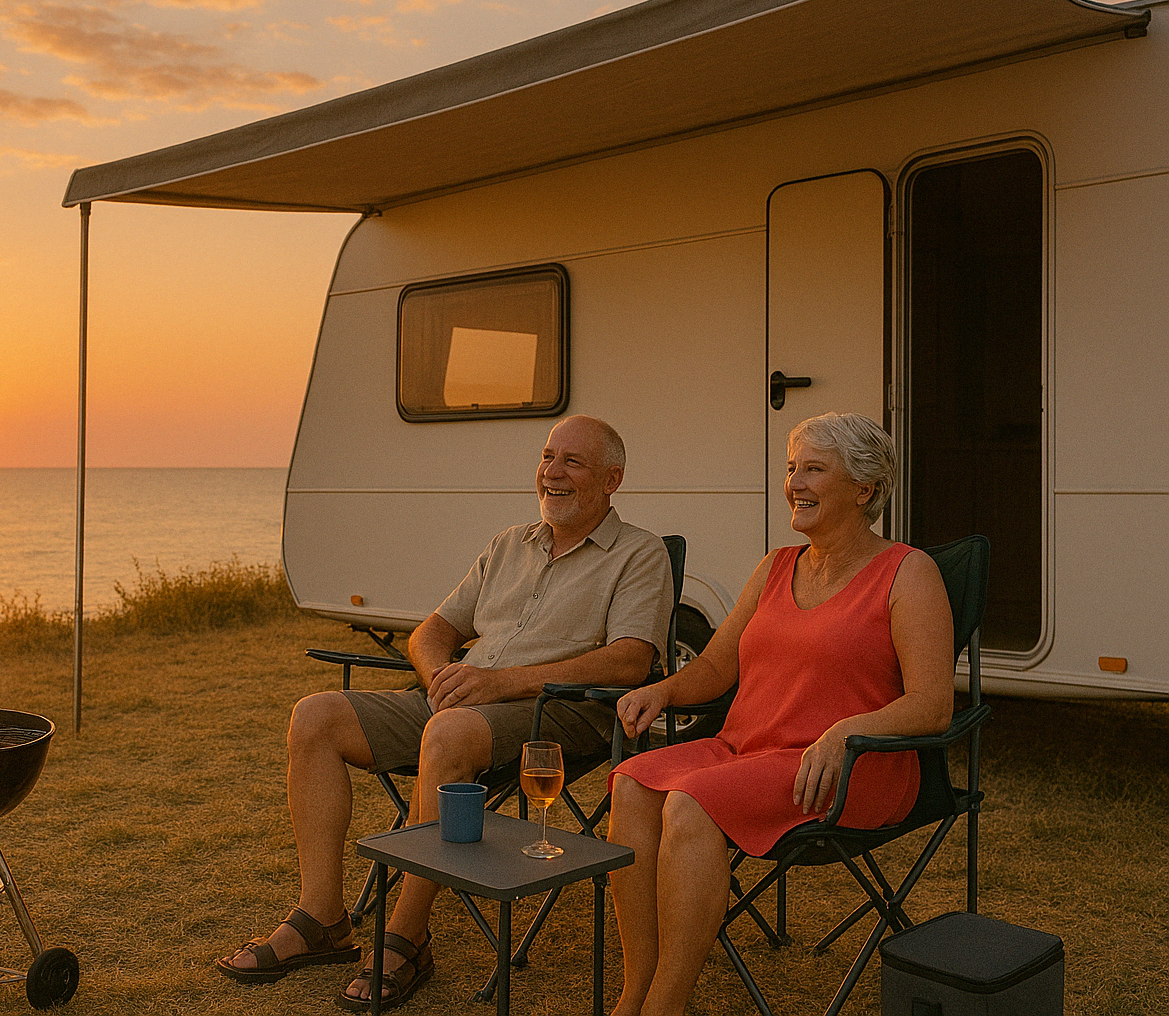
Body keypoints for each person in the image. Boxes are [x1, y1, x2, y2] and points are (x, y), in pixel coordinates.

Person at [216, 414, 673, 1011]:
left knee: (448, 732)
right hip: (461, 705)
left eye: (572, 462)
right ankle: (322, 918)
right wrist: (441, 678)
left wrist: (498, 683)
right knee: (315, 716)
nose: (552, 472)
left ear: (612, 479)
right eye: (547, 456)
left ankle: (407, 935)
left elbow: (631, 660)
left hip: (557, 714)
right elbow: (431, 632)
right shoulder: (508, 545)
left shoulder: (640, 553)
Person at [604, 412, 955, 1016]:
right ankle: (635, 989)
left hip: (849, 766)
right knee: (632, 783)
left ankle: (665, 1006)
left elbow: (933, 704)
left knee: (691, 801)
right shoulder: (775, 566)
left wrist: (845, 731)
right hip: (748, 748)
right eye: (792, 468)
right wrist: (663, 691)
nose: (794, 483)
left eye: (814, 469)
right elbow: (718, 668)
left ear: (865, 488)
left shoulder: (907, 571)